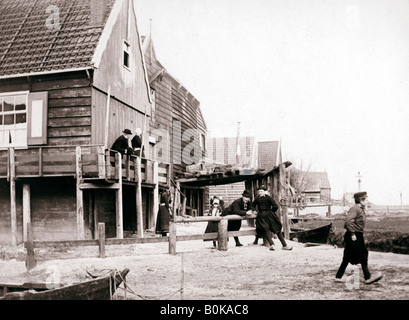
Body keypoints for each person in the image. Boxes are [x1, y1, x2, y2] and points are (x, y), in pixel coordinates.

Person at [335, 191, 383, 285]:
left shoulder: (360, 209)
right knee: (364, 253)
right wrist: (352, 234)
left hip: (356, 235)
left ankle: (338, 276)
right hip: (354, 235)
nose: (367, 201)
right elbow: (348, 221)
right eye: (366, 199)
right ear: (361, 200)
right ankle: (367, 277)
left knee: (347, 257)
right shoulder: (355, 209)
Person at [252, 185, 292, 251]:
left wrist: (271, 212)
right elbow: (252, 205)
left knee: (277, 229)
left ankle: (284, 245)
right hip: (261, 216)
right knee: (265, 229)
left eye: (261, 191)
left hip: (270, 215)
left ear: (265, 192)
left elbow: (275, 206)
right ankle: (272, 245)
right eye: (259, 191)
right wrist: (254, 210)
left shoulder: (269, 198)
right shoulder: (257, 199)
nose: (260, 192)